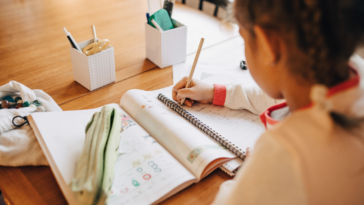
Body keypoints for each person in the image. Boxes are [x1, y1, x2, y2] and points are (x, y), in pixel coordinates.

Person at [172, 0, 364, 204]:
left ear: (267, 45)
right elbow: (279, 98)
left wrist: (250, 170)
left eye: (243, 39)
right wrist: (215, 93)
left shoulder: (283, 153)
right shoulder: (350, 70)